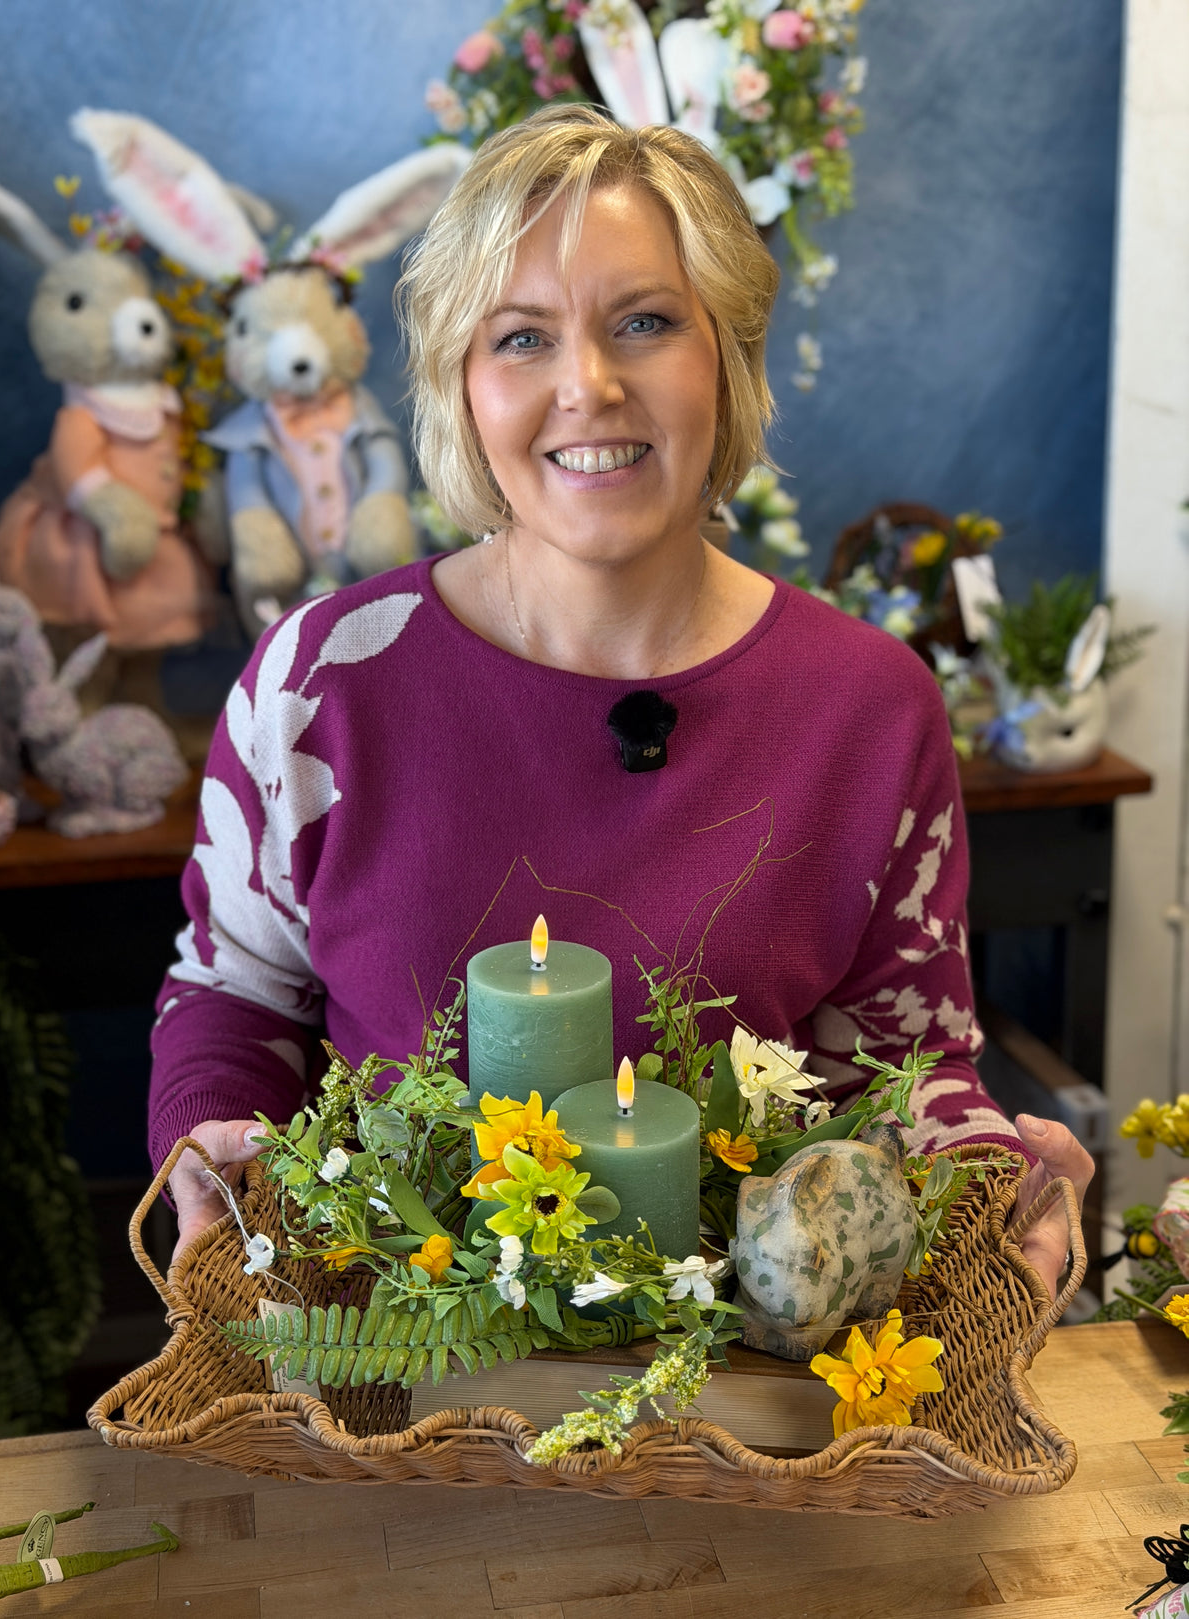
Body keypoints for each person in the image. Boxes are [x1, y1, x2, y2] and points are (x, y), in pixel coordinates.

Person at [150, 106, 1091, 1297]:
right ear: (460, 385)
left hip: (752, 1407)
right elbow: (236, 996)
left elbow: (902, 1069)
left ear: (728, 356)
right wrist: (211, 1141)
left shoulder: (868, 709)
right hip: (381, 1370)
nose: (587, 385)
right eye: (521, 338)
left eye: (642, 323)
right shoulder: (316, 684)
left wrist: (986, 1168)